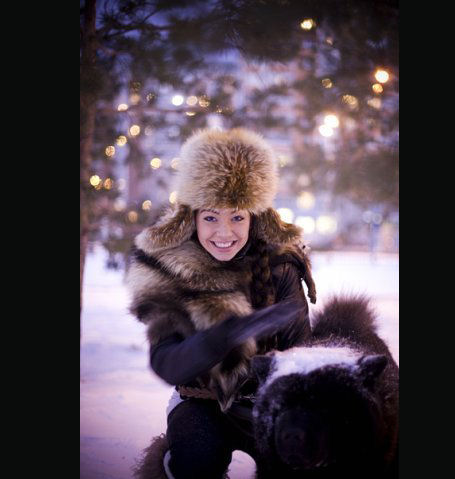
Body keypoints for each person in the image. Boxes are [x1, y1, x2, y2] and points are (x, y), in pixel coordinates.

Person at [127, 128, 316, 479]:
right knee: (196, 461)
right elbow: (166, 362)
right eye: (211, 217)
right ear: (191, 217)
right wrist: (218, 339)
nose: (225, 232)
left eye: (237, 217)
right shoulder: (171, 268)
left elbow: (301, 354)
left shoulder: (280, 265)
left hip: (270, 401)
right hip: (199, 401)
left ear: (255, 217)